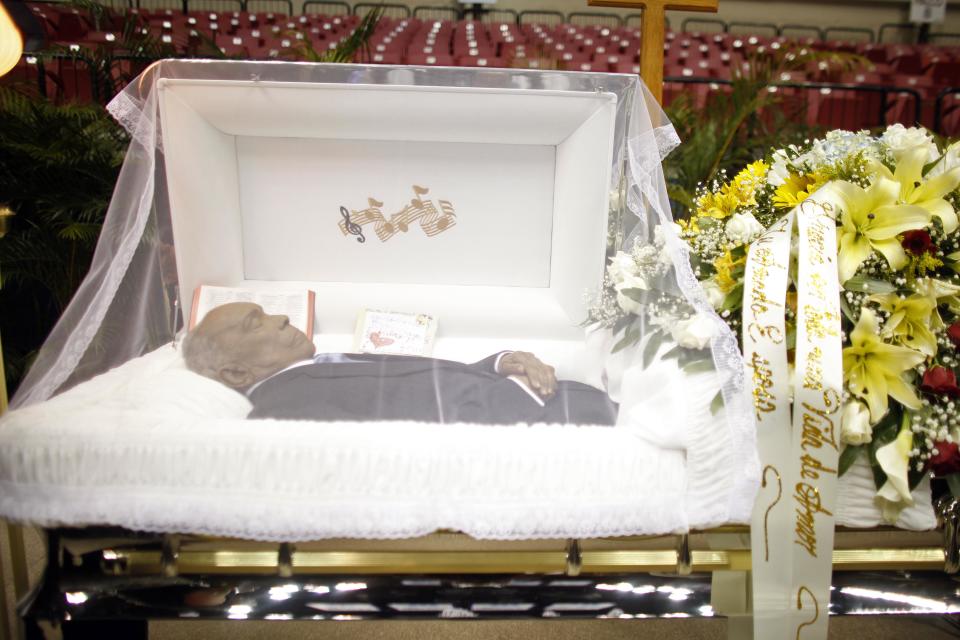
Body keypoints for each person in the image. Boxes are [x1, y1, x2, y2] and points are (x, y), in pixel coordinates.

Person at [183, 302, 617, 425]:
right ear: (238, 373)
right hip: (541, 427)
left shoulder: (308, 374)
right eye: (254, 322)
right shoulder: (282, 412)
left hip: (547, 400)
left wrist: (502, 362)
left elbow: (427, 383)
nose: (280, 317)